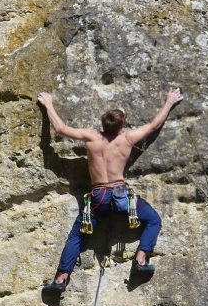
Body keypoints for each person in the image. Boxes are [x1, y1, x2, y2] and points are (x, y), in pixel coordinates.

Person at [37, 88, 183, 292]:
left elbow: (60, 129)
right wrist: (169, 101)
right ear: (121, 125)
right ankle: (141, 259)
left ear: (102, 123)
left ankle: (61, 279)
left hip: (98, 199)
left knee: (77, 237)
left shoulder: (91, 137)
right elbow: (154, 126)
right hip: (121, 197)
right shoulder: (127, 139)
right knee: (154, 219)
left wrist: (48, 104)